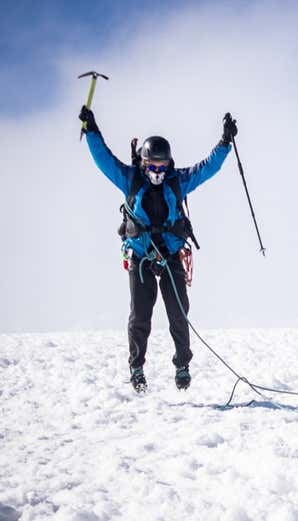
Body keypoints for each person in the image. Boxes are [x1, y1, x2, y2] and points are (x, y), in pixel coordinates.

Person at [79, 105, 237, 392]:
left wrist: (225, 142)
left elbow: (207, 168)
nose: (157, 172)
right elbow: (104, 160)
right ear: (143, 163)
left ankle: (182, 366)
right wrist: (91, 130)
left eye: (162, 167)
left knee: (178, 312)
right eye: (152, 166)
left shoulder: (179, 181)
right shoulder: (130, 179)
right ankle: (137, 368)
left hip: (171, 255)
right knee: (140, 315)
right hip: (140, 257)